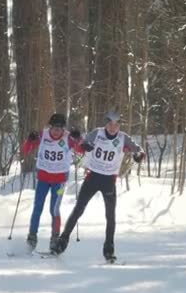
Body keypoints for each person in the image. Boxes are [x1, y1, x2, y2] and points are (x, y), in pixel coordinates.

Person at [53, 112, 145, 261]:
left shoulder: (123, 137)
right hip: (93, 177)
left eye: (116, 125)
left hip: (109, 180)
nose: (113, 128)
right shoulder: (97, 133)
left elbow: (139, 150)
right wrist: (85, 146)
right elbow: (81, 146)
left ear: (119, 125)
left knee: (110, 216)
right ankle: (62, 242)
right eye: (110, 124)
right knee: (78, 209)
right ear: (106, 124)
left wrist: (138, 155)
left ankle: (109, 250)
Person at [22, 113, 82, 252]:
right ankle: (32, 237)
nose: (57, 131)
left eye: (60, 128)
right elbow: (26, 150)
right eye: (54, 128)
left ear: (63, 129)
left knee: (54, 209)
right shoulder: (43, 136)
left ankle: (55, 238)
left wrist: (78, 138)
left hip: (60, 182)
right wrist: (30, 140)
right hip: (43, 179)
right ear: (50, 127)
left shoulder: (68, 138)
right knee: (38, 207)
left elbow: (81, 149)